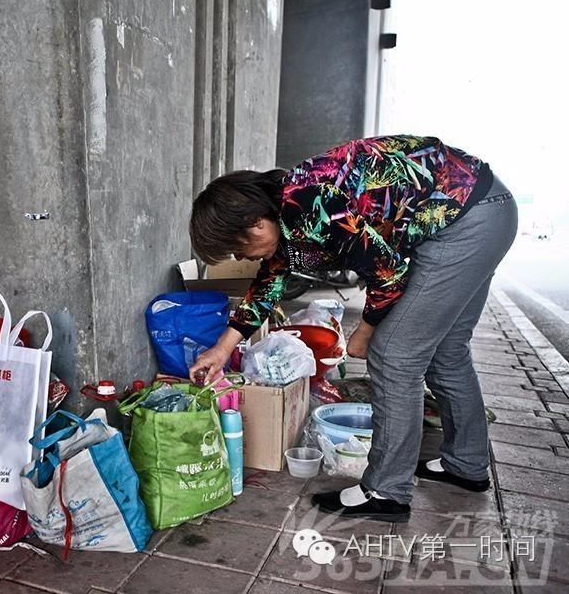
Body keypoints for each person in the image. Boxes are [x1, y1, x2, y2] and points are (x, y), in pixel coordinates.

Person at [188, 135, 517, 522]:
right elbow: (268, 284)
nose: (241, 258)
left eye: (238, 249)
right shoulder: (288, 207)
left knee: (394, 356)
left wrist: (363, 334)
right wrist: (222, 349)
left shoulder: (310, 201)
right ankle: (467, 463)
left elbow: (389, 274)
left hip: (462, 222)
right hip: (486, 209)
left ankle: (386, 491)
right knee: (446, 351)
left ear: (256, 225)